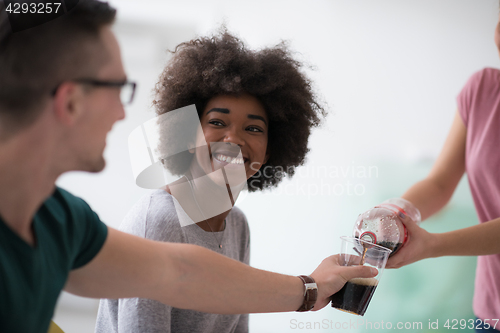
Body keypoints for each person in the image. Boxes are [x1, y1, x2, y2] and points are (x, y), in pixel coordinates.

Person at [0, 1, 377, 333]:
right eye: (118, 88)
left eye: (253, 128)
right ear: (70, 102)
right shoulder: (151, 218)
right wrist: (309, 288)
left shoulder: (63, 221)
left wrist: (311, 288)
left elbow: (178, 274)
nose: (121, 112)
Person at [96, 30, 327, 333]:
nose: (233, 139)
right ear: (188, 135)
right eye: (217, 122)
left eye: (253, 129)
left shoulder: (238, 226)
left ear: (270, 150)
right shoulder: (161, 222)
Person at [377, 11, 500, 333]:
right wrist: (394, 212)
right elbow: (440, 182)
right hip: (492, 310)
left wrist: (431, 245)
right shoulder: (484, 89)